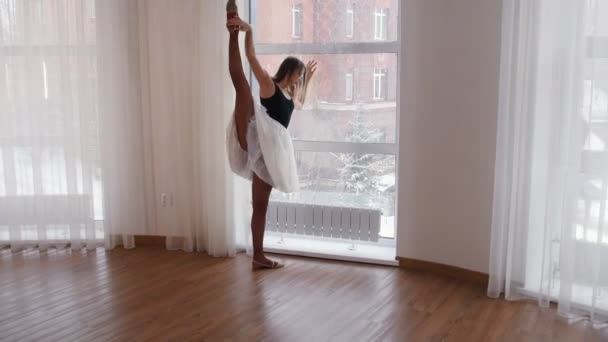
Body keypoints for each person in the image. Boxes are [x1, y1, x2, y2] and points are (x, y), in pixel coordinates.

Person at [225, 1, 317, 269]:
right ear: (289, 71)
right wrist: (249, 31)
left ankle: (258, 256)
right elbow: (251, 58)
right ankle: (233, 30)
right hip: (257, 135)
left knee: (261, 206)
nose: (300, 79)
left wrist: (308, 79)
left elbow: (299, 101)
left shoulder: (289, 94)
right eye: (299, 74)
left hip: (268, 152)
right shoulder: (269, 85)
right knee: (240, 84)